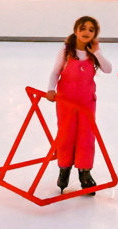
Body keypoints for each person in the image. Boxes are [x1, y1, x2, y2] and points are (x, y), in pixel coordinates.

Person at [46, 16, 112, 195]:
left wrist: (97, 52)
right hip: (66, 102)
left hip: (86, 104)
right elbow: (55, 72)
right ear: (75, 30)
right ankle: (64, 169)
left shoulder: (94, 52)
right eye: (83, 28)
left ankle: (85, 173)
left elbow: (108, 69)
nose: (86, 32)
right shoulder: (66, 50)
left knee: (86, 137)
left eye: (91, 30)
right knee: (66, 135)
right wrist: (51, 89)